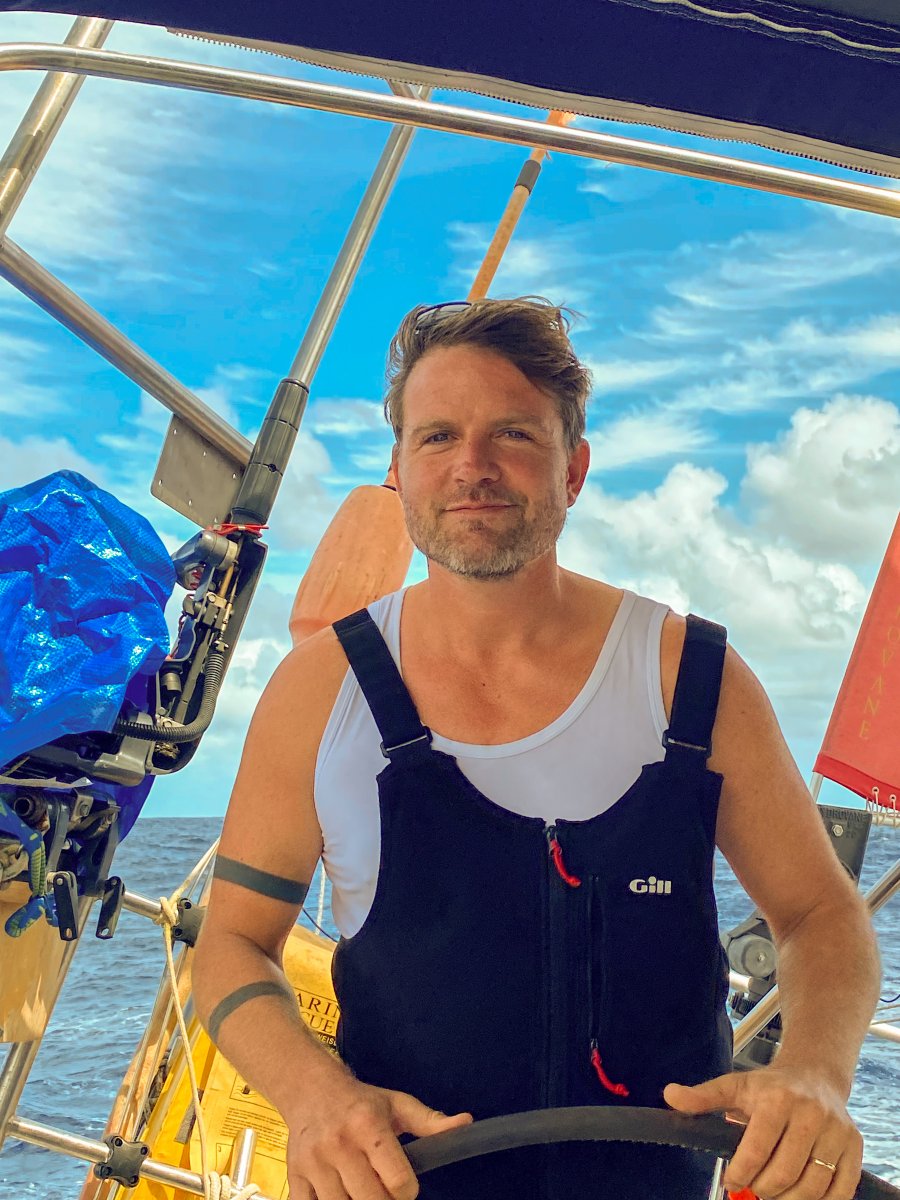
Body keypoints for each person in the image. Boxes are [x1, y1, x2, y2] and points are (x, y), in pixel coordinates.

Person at [192, 297, 880, 1200]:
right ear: (398, 468)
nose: (471, 466)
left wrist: (816, 1075)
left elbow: (821, 915)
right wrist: (315, 1099)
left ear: (574, 468)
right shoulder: (320, 693)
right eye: (438, 437)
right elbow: (234, 943)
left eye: (512, 434)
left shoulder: (691, 679)